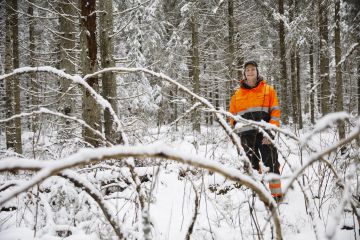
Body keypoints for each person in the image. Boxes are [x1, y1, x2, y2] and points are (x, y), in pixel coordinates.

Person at [229, 60, 283, 201]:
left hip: (264, 134)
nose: (250, 72)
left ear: (257, 71)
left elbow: (275, 112)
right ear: (244, 74)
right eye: (247, 70)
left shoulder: (268, 90)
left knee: (271, 162)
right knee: (251, 167)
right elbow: (232, 117)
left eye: (253, 69)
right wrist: (235, 134)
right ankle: (258, 194)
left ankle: (276, 195)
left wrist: (270, 132)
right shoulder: (237, 95)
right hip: (246, 136)